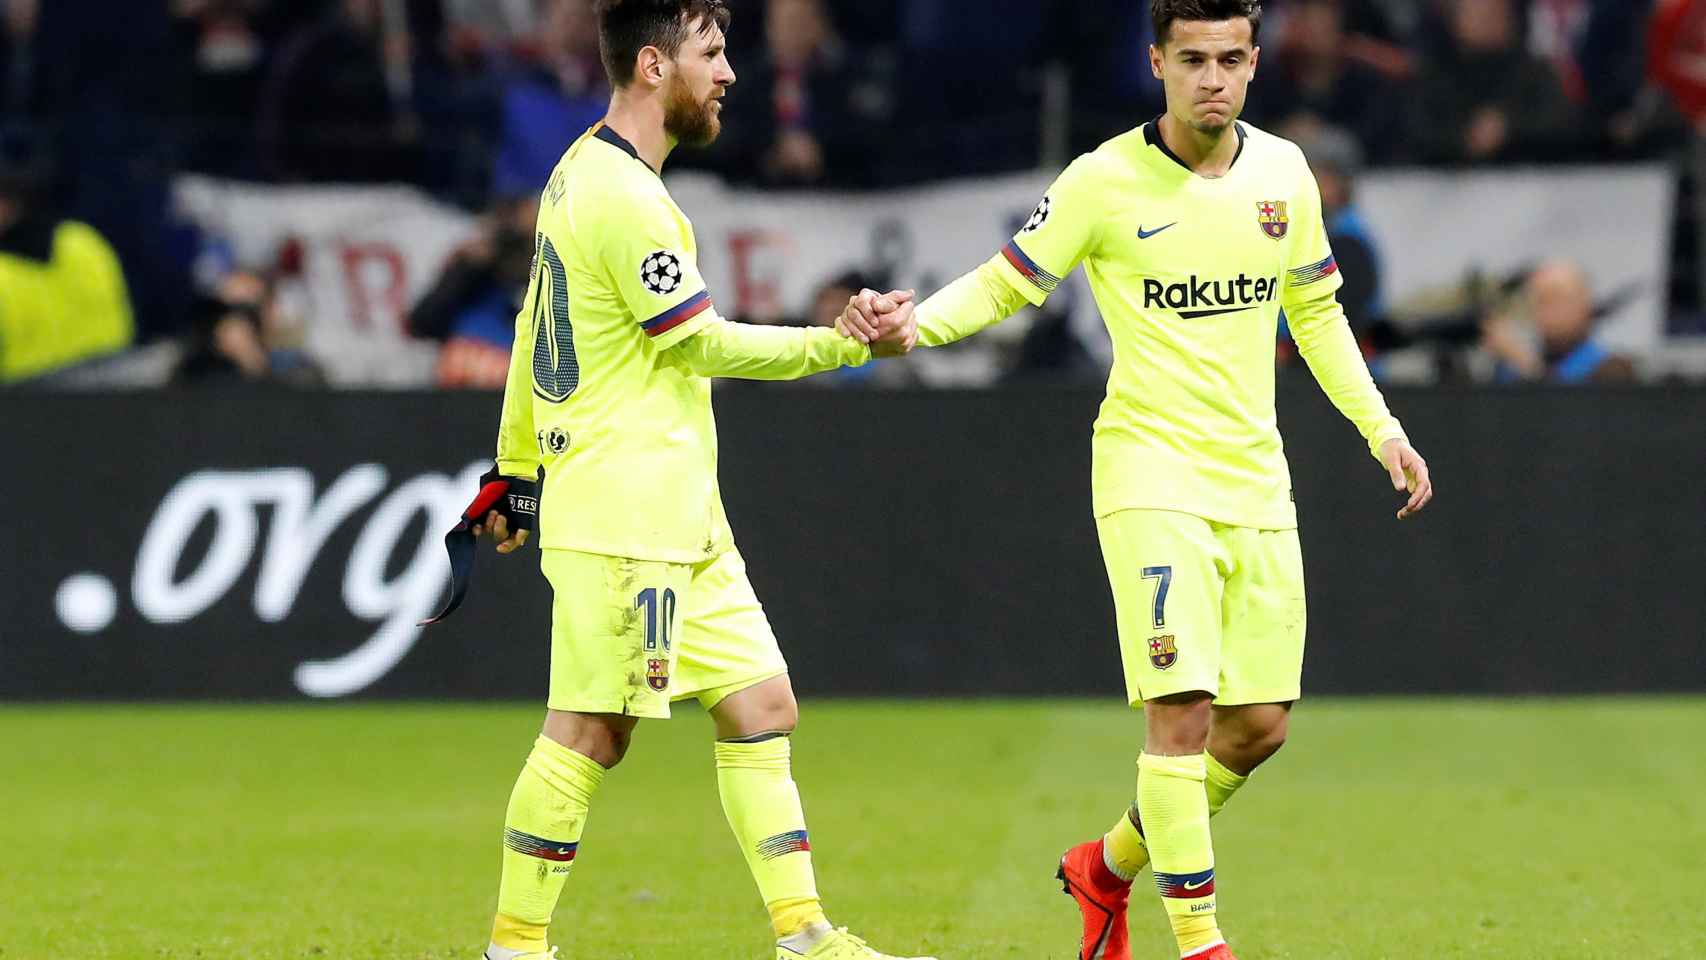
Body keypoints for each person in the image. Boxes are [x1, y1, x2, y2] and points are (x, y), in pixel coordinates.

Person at [841, 2, 1433, 958]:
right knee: (1183, 715)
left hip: (1255, 481)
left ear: (1253, 63)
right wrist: (913, 329)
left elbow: (1316, 316)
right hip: (1149, 473)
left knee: (1258, 728)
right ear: (1156, 62)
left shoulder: (1284, 173)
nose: (1212, 79)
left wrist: (1383, 431)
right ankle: (1200, 942)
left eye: (1230, 59)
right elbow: (1005, 281)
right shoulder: (1102, 182)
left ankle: (1106, 867)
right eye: (1191, 59)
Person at [464, 3, 929, 960]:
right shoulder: (624, 198)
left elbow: (531, 334)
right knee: (591, 731)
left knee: (762, 705)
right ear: (650, 65)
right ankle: (514, 948)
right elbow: (699, 339)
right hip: (626, 510)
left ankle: (806, 936)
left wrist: (512, 471)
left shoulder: (580, 174)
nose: (728, 75)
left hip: (681, 513)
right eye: (710, 54)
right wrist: (838, 341)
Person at [1480, 259, 1636, 383]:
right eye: (1539, 300)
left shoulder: (1612, 369)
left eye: (1556, 298)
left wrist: (1525, 364)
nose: (1546, 309)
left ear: (1584, 305)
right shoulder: (1511, 370)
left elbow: (1570, 412)